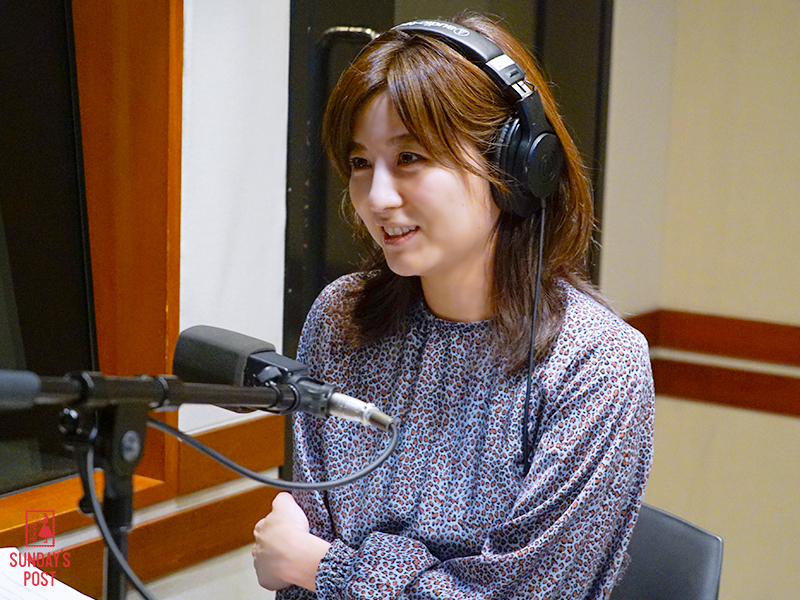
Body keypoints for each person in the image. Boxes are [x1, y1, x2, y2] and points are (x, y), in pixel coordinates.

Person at [252, 12, 654, 600]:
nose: (378, 198)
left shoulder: (597, 365)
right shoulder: (342, 320)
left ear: (512, 167)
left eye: (410, 157)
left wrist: (323, 568)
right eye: (361, 163)